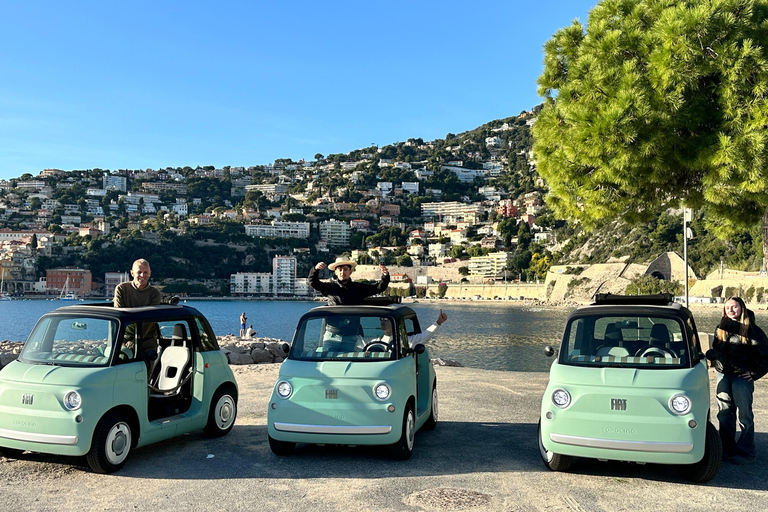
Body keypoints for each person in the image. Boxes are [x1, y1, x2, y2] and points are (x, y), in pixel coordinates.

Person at [710, 296, 768, 464]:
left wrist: (755, 373)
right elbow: (716, 349)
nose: (730, 310)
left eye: (734, 307)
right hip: (723, 375)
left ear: (741, 308)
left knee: (745, 416)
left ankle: (746, 453)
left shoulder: (753, 331)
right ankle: (726, 450)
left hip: (742, 377)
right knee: (724, 415)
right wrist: (714, 357)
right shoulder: (720, 328)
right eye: (727, 307)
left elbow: (765, 355)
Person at [113, 259, 162, 351]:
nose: (142, 275)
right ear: (132, 273)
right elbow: (119, 315)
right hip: (123, 339)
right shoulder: (121, 289)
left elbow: (149, 321)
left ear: (150, 273)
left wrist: (136, 340)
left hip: (147, 343)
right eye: (139, 272)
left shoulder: (154, 294)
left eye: (145, 272)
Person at [308, 257, 389, 305]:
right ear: (336, 272)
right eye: (339, 270)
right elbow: (313, 282)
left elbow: (379, 288)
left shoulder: (359, 288)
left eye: (345, 269)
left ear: (350, 272)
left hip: (354, 330)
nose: (342, 272)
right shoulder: (330, 288)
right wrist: (315, 269)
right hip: (332, 331)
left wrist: (385, 275)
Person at [370, 310, 449, 350]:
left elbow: (425, 336)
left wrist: (438, 322)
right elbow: (358, 339)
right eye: (381, 319)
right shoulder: (374, 342)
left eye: (386, 319)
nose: (383, 322)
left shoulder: (405, 342)